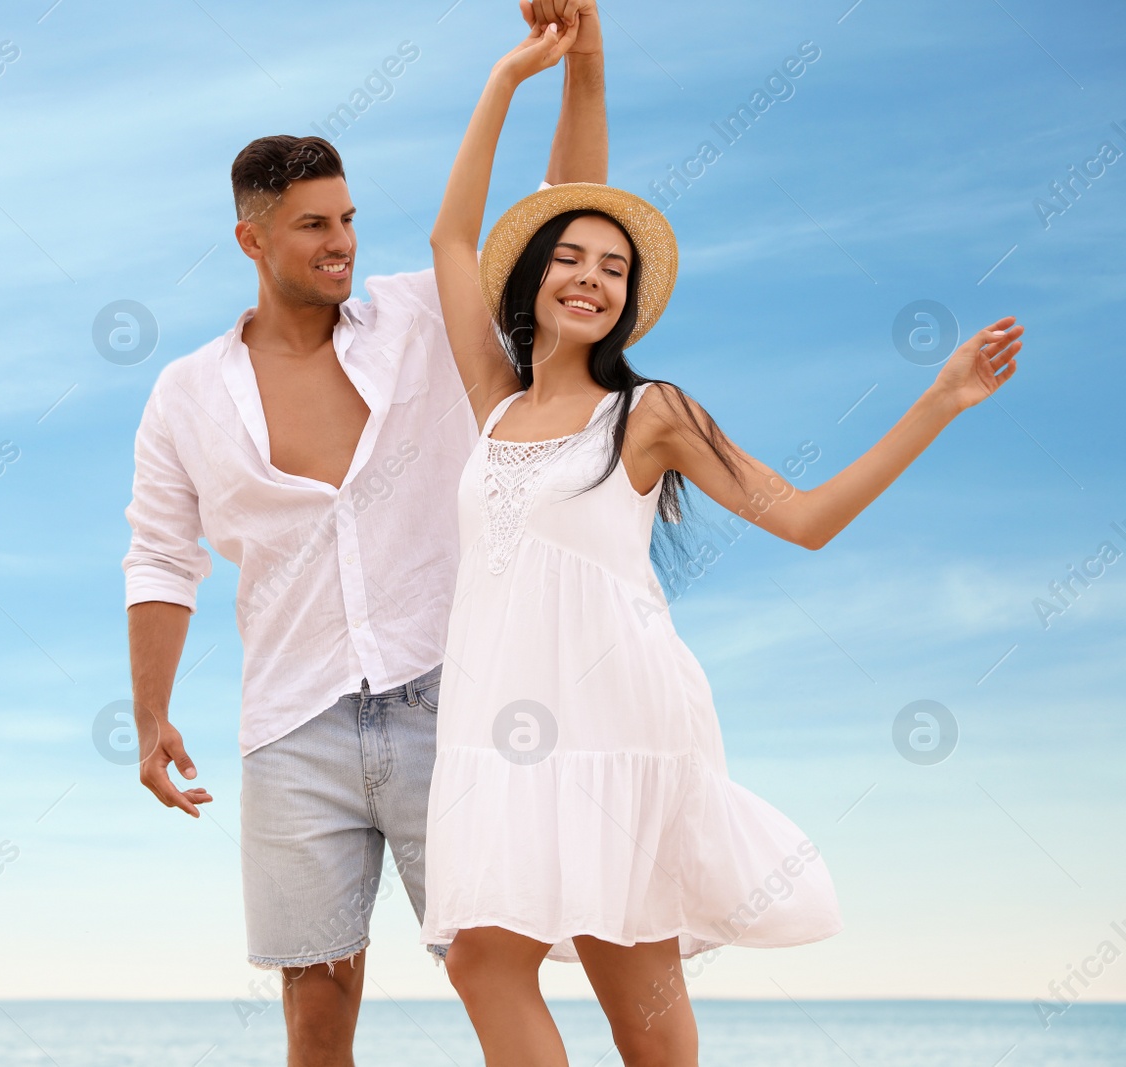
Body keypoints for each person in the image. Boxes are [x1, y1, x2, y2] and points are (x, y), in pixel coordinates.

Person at [417, 17, 1023, 1067]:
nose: (590, 277)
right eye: (568, 256)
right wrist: (517, 73)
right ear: (531, 283)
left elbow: (805, 518)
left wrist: (938, 401)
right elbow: (449, 241)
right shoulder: (491, 402)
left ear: (626, 300)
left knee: (636, 1002)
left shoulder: (650, 413)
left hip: (621, 722)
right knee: (480, 956)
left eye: (612, 267)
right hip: (494, 730)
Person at [121, 4, 617, 1063]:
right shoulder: (184, 394)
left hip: (453, 693)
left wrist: (582, 62)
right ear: (253, 239)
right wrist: (151, 710)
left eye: (346, 218)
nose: (341, 242)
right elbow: (162, 554)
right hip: (293, 721)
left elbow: (562, 220)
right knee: (315, 1003)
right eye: (312, 225)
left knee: (495, 966)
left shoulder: (423, 318)